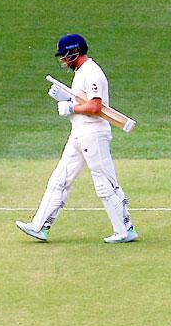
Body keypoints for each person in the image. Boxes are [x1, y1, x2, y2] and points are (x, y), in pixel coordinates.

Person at [16, 34, 137, 244]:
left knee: (105, 184)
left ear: (75, 51)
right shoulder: (81, 72)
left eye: (64, 55)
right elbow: (84, 100)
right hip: (79, 133)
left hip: (94, 135)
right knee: (59, 181)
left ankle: (125, 230)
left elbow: (96, 107)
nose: (63, 60)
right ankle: (39, 227)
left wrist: (70, 107)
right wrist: (68, 98)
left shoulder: (92, 72)